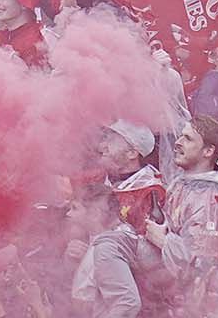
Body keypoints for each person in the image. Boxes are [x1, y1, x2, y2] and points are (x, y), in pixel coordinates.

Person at [147, 116, 218, 311]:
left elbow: (201, 264)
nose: (178, 142)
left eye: (188, 138)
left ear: (208, 151)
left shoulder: (209, 198)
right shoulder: (183, 186)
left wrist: (162, 241)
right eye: (180, 136)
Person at [71, 121, 169, 318]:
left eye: (111, 140)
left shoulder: (151, 193)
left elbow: (149, 260)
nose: (102, 147)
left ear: (132, 152)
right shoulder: (99, 184)